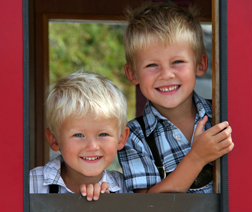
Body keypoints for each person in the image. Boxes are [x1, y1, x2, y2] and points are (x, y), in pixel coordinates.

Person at [118, 2, 234, 193]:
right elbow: (146, 206)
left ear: (200, 64)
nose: (166, 75)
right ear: (132, 74)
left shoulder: (224, 116)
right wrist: (197, 157)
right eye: (152, 65)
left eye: (177, 62)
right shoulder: (133, 137)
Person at [30, 71, 130, 200]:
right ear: (54, 140)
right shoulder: (30, 185)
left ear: (121, 138)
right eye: (78, 135)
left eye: (103, 134)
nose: (92, 146)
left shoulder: (127, 189)